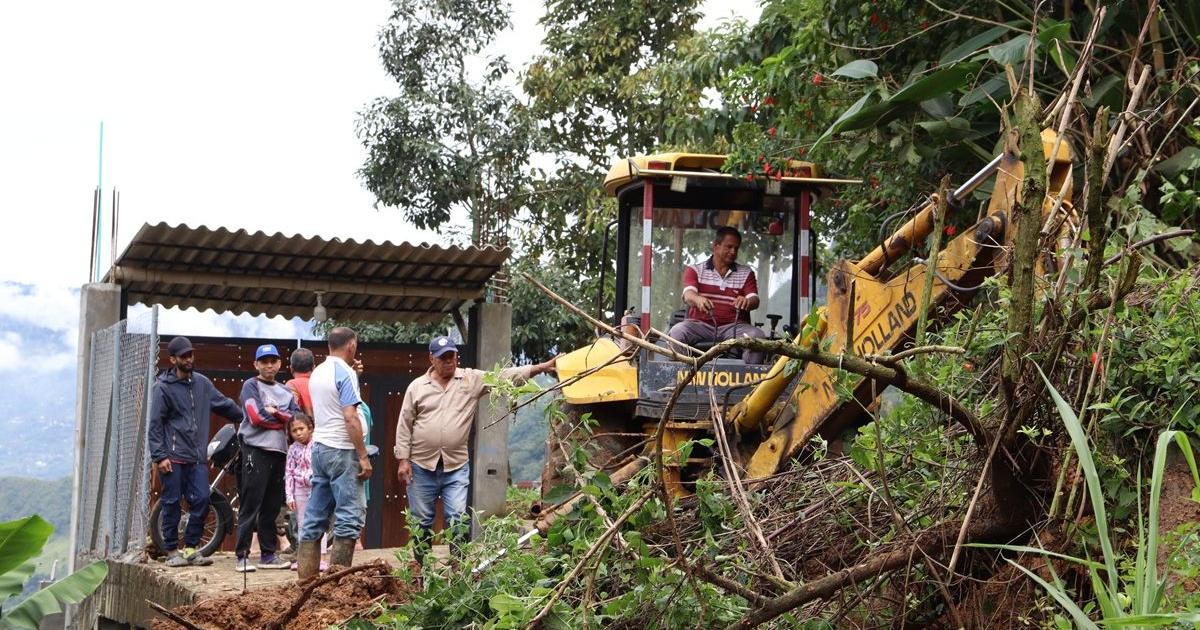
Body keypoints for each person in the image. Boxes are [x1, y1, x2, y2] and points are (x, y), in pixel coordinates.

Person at [395, 336, 558, 563]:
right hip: (421, 466)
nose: (449, 361)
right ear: (431, 359)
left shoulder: (470, 379)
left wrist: (540, 368)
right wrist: (403, 460)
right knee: (421, 520)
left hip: (455, 466)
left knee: (457, 518)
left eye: (452, 356)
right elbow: (405, 424)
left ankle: (459, 569)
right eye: (443, 358)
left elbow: (503, 377)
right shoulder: (417, 387)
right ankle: (422, 571)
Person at [148, 336, 243, 568]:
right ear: (173, 359)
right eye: (184, 356)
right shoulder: (163, 388)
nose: (189, 359)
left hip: (197, 456)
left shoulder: (202, 383)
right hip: (172, 456)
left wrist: (246, 417)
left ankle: (191, 549)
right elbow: (155, 424)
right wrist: (160, 456)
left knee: (201, 499)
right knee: (171, 502)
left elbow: (224, 404)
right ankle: (171, 550)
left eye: (191, 355)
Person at [296, 327, 372, 580]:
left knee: (315, 515)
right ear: (351, 345)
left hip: (321, 449)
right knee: (349, 517)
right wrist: (362, 455)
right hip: (342, 450)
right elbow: (350, 417)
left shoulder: (318, 372)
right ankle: (338, 584)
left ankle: (306, 583)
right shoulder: (344, 373)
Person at [234, 343, 299, 572]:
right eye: (264, 361)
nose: (269, 365)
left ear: (280, 364)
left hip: (279, 453)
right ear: (256, 365)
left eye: (273, 361)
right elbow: (255, 417)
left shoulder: (285, 392)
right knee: (251, 503)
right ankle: (242, 556)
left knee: (272, 507)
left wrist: (278, 414)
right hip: (255, 450)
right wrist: (282, 419)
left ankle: (268, 555)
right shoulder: (250, 385)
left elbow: (297, 421)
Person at [667, 226, 768, 364]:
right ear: (715, 246)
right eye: (729, 247)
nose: (733, 252)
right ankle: (684, 378)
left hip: (735, 327)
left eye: (736, 248)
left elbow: (754, 299)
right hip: (700, 326)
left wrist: (747, 301)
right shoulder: (695, 270)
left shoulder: (746, 273)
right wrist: (698, 299)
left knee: (758, 338)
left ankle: (749, 384)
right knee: (676, 332)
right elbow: (688, 294)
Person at [284, 413, 328, 571]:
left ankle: (321, 558)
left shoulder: (318, 444)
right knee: (302, 524)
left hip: (316, 487)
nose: (298, 433)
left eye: (301, 428)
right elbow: (289, 472)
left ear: (310, 428)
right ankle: (304, 559)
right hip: (299, 489)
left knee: (318, 521)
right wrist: (289, 495)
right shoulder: (292, 449)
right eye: (294, 430)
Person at [286, 348, 315, 417]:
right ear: (313, 368)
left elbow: (290, 411)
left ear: (291, 368)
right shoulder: (322, 383)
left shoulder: (291, 385)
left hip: (303, 426)